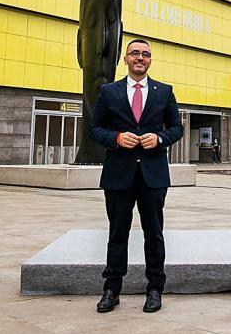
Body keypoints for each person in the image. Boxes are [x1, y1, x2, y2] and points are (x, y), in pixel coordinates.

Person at [88, 39, 184, 314]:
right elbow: (95, 129)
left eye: (145, 54)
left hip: (153, 176)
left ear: (150, 60)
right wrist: (116, 138)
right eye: (135, 53)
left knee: (154, 234)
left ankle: (155, 289)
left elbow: (177, 128)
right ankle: (111, 290)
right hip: (119, 175)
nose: (140, 58)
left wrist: (161, 137)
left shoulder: (164, 92)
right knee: (117, 234)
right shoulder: (108, 92)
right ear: (126, 59)